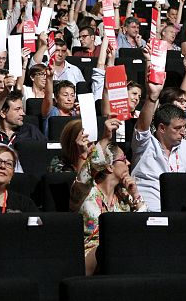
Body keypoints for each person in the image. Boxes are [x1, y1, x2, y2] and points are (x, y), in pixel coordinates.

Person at [70, 118, 146, 275]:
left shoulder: (124, 196)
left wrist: (136, 195)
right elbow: (87, 172)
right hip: (90, 255)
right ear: (109, 166)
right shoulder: (85, 192)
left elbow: (142, 226)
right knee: (110, 246)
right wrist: (105, 137)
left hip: (121, 253)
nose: (129, 163)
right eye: (124, 159)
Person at [131, 72, 186, 212]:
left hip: (179, 212)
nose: (183, 132)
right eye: (177, 128)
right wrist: (152, 97)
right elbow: (142, 127)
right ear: (162, 128)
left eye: (184, 127)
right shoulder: (144, 144)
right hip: (148, 212)